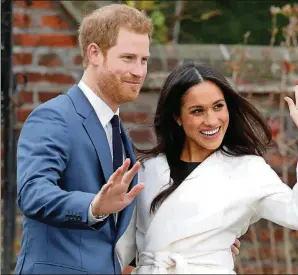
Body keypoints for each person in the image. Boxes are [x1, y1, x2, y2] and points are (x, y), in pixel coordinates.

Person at [14, 5, 240, 274]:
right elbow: (33, 193)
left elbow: (120, 236)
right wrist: (93, 206)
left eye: (143, 60)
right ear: (94, 53)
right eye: (128, 58)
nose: (138, 71)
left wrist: (199, 243)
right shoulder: (54, 116)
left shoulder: (117, 130)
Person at [116, 63, 298, 274]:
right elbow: (122, 250)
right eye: (197, 111)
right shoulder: (147, 169)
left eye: (218, 106)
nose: (211, 120)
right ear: (177, 117)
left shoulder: (247, 170)